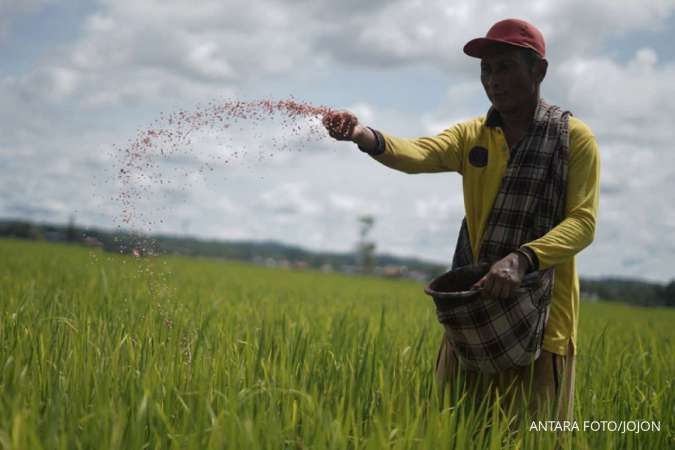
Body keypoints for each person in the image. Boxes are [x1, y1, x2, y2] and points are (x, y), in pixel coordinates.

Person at [322, 18, 600, 420]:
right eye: (486, 70)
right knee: (455, 426)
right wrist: (363, 134)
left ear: (538, 70)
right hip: (474, 308)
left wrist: (521, 259)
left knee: (535, 433)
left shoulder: (574, 139)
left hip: (544, 318)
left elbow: (583, 222)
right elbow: (418, 153)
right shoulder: (474, 135)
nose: (493, 80)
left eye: (504, 67)